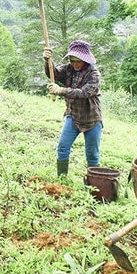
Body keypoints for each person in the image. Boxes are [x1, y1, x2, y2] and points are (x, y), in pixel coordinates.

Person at [43, 40, 103, 177]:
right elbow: (54, 73)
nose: (74, 64)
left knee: (92, 155)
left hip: (92, 119)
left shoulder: (94, 75)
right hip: (73, 116)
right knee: (63, 148)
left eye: (78, 61)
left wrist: (61, 90)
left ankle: (94, 184)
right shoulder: (68, 69)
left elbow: (84, 93)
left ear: (85, 60)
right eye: (72, 60)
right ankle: (62, 179)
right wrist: (47, 61)